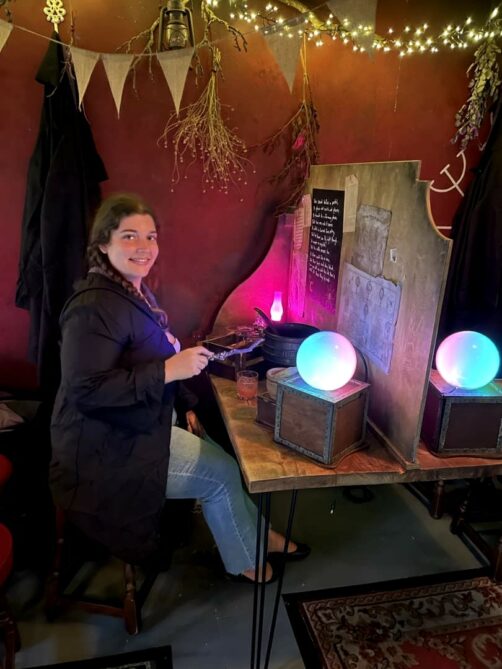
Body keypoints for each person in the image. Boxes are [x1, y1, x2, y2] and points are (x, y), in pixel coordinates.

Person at [50, 193, 309, 583]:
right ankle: (246, 560)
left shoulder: (131, 292)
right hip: (105, 451)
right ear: (103, 243)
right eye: (129, 236)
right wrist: (169, 369)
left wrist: (184, 399)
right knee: (221, 473)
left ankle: (260, 536)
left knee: (222, 454)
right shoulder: (92, 307)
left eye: (150, 237)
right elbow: (87, 391)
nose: (144, 247)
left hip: (139, 426)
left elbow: (148, 357)